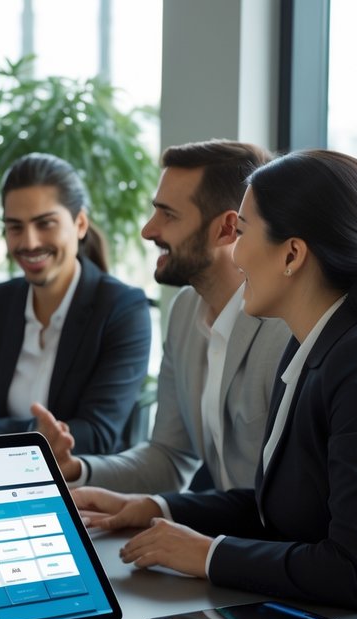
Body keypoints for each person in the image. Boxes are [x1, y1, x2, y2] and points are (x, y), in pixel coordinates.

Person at [77, 150, 357, 612]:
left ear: (292, 254)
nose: (235, 252)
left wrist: (209, 555)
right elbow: (279, 507)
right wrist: (155, 506)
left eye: (245, 232)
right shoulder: (311, 344)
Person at [34, 141, 289, 493]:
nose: (148, 230)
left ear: (227, 229)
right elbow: (169, 458)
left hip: (260, 544)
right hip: (219, 534)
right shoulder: (185, 310)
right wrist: (76, 469)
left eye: (168, 215)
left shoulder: (286, 329)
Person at [0, 153, 150, 454]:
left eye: (45, 224)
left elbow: (96, 435)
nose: (29, 243)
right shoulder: (3, 301)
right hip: (1, 476)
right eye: (15, 227)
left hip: (80, 487)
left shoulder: (122, 308)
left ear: (81, 224)